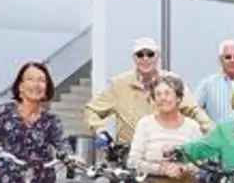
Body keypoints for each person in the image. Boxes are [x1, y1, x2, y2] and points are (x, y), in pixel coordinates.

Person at [84, 37, 213, 144]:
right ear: (134, 58)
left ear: (157, 57)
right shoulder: (118, 84)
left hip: (164, 154)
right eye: (140, 54)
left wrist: (215, 133)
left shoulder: (172, 81)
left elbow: (194, 111)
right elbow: (92, 110)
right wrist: (100, 130)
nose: (145, 59)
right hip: (128, 156)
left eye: (150, 54)